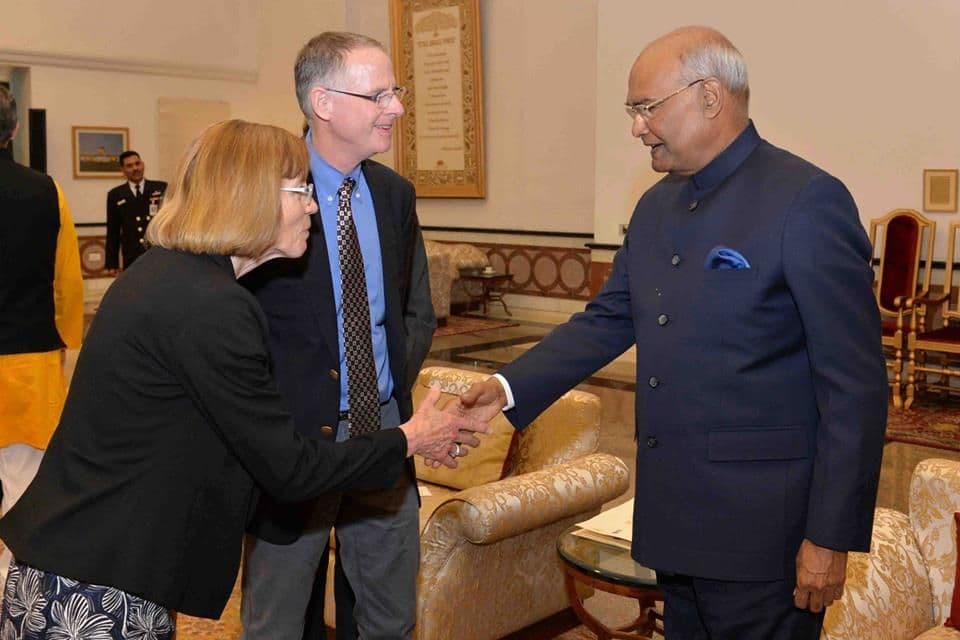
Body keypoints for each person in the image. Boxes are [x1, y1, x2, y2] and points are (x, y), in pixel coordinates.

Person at [457, 26, 888, 640]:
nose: (636, 127)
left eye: (646, 108)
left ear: (709, 97)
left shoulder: (806, 201)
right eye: (633, 111)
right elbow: (608, 319)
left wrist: (829, 537)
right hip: (675, 527)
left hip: (766, 540)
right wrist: (505, 389)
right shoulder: (657, 206)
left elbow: (855, 388)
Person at [0, 119, 485, 640]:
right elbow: (290, 471)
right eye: (301, 190)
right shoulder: (213, 306)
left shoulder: (167, 275)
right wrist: (412, 437)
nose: (313, 206)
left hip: (76, 565)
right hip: (99, 588)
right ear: (251, 196)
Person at [239, 31, 435, 640]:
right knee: (276, 618)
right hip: (294, 442)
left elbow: (415, 311)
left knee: (389, 616)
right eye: (379, 95)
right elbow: (236, 316)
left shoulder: (393, 194)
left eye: (395, 93)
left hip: (383, 433)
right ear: (323, 103)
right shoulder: (264, 193)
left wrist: (386, 395)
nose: (397, 108)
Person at [0, 86, 84, 596]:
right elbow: (68, 282)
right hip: (28, 366)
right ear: (12, 129)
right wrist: (65, 344)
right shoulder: (45, 190)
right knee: (23, 494)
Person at [104, 150, 167, 274]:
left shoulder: (161, 188)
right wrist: (112, 263)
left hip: (158, 251)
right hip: (132, 255)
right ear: (122, 170)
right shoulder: (116, 194)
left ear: (142, 164)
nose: (135, 168)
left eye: (137, 163)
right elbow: (113, 231)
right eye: (129, 166)